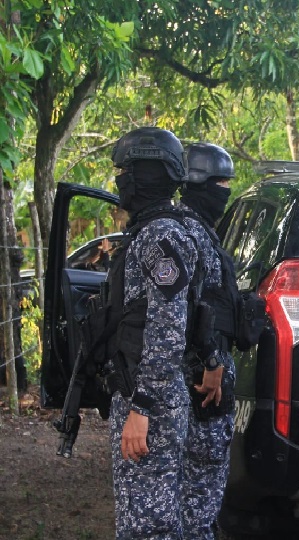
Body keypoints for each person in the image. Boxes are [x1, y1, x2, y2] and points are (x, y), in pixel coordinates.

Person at [107, 127, 199, 538]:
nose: (120, 180)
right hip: (146, 398)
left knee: (148, 528)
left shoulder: (162, 235)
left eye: (126, 170)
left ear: (146, 173)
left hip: (152, 405)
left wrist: (141, 408)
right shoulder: (150, 232)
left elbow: (166, 329)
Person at [177, 142, 239, 539]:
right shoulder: (189, 235)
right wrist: (213, 363)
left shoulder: (195, 230)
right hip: (201, 381)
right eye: (219, 182)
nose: (225, 190)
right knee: (200, 484)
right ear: (197, 184)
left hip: (197, 379)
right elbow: (196, 309)